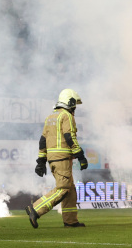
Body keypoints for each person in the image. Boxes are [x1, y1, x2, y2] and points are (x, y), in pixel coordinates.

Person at [26, 89, 88, 229]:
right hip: (62, 158)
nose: (75, 108)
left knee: (70, 190)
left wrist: (41, 161)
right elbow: (69, 137)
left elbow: (43, 140)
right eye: (74, 104)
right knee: (63, 188)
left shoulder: (51, 117)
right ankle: (35, 210)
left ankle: (70, 221)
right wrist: (80, 156)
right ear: (70, 102)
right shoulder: (67, 116)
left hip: (53, 158)